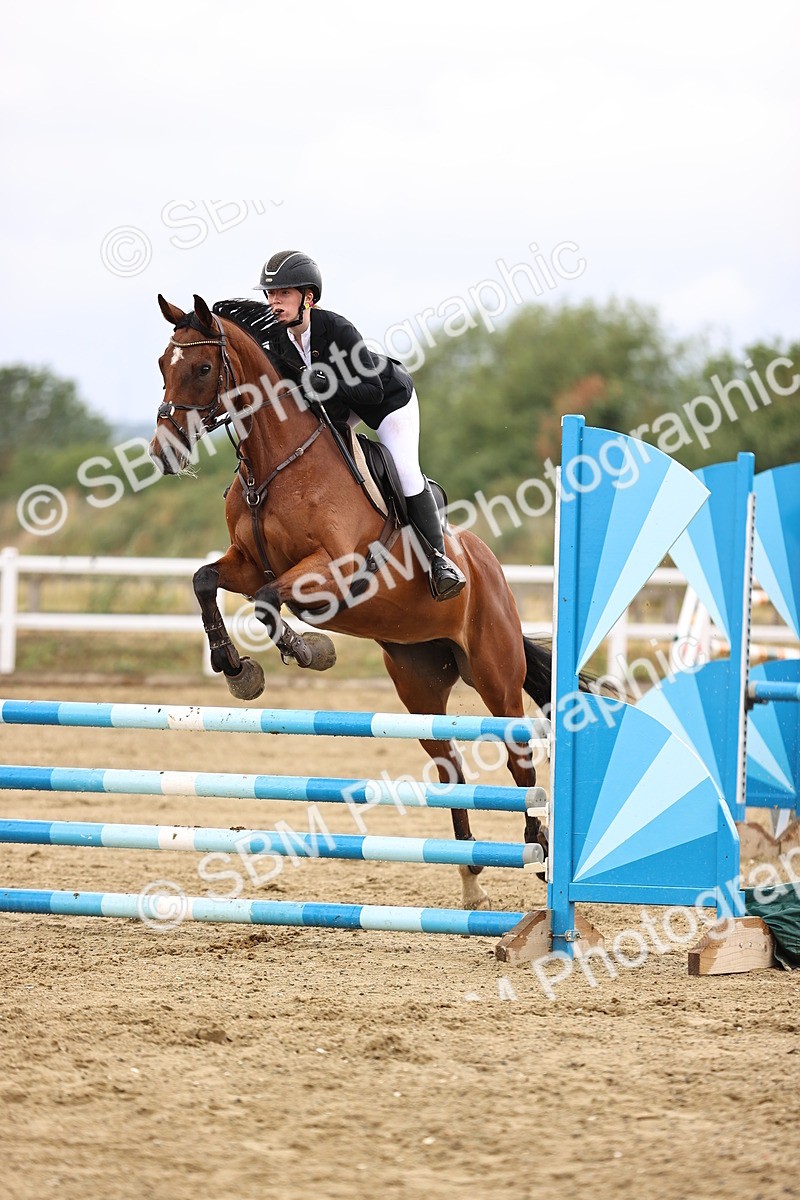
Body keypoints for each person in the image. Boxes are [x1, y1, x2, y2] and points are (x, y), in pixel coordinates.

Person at [254, 249, 466, 601]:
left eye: (284, 294)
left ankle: (439, 560)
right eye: (271, 294)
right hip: (339, 405)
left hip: (388, 400)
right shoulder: (276, 340)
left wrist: (329, 381)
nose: (275, 302)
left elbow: (371, 391)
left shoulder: (336, 329)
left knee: (405, 469)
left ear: (308, 298)